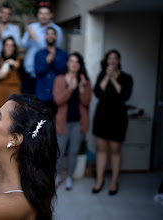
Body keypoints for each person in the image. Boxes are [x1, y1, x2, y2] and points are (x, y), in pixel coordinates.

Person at [92, 49, 133, 195]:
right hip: (102, 117)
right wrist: (107, 77)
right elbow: (97, 93)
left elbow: (125, 95)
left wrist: (114, 79)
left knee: (115, 151)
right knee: (101, 150)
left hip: (118, 118)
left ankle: (114, 182)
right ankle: (100, 181)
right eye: (110, 58)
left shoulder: (127, 78)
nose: (112, 61)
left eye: (115, 58)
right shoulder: (102, 75)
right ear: (107, 61)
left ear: (119, 61)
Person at [53, 52, 91, 190]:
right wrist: (70, 89)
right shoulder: (60, 79)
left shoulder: (85, 80)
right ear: (68, 63)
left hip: (78, 123)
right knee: (60, 152)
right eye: (71, 61)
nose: (74, 64)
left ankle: (69, 177)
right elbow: (58, 100)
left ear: (80, 65)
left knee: (74, 152)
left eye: (77, 61)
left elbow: (87, 102)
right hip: (63, 122)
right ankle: (57, 177)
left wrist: (81, 88)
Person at [21, 2, 64, 94]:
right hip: (30, 69)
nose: (43, 16)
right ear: (38, 15)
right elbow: (24, 45)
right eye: (41, 13)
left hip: (45, 72)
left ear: (51, 15)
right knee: (27, 101)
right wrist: (29, 37)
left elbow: (50, 49)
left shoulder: (56, 30)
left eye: (46, 14)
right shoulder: (32, 27)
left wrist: (34, 36)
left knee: (42, 103)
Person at [34, 27, 68, 117]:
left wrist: (53, 58)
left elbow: (63, 70)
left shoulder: (63, 54)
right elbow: (38, 72)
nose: (50, 36)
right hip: (42, 95)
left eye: (52, 34)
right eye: (48, 34)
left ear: (56, 37)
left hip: (57, 95)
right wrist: (47, 62)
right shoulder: (39, 54)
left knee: (56, 125)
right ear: (45, 37)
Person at [0, 37, 25, 114]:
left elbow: (24, 76)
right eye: (7, 45)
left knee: (13, 114)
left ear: (14, 47)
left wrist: (16, 65)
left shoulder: (18, 61)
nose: (9, 48)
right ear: (4, 47)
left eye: (11, 45)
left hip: (14, 91)